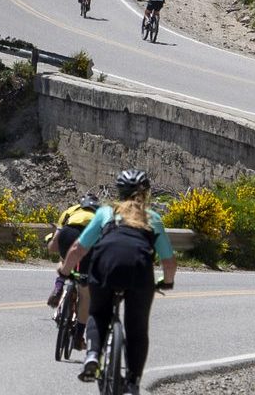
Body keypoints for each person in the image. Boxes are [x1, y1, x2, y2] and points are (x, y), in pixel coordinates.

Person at [58, 169, 176, 395]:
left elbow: (78, 249)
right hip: (139, 272)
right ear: (147, 194)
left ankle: (92, 355)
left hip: (104, 266)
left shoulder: (105, 213)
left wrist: (64, 272)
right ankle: (133, 382)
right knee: (137, 328)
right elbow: (169, 262)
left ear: (119, 193)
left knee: (98, 313)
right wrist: (166, 282)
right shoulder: (153, 219)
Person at [46, 193, 103, 349]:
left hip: (68, 233)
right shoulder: (101, 215)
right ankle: (78, 337)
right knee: (86, 295)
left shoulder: (70, 211)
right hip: (91, 237)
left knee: (64, 261)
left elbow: (53, 246)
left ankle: (59, 285)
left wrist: (50, 245)